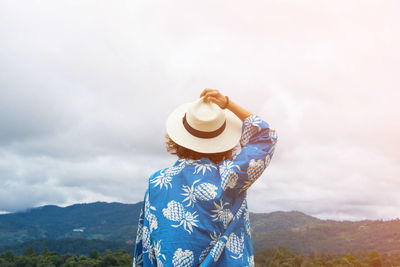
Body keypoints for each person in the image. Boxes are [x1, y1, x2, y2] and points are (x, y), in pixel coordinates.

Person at [132, 88, 278, 267]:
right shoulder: (229, 177)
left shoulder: (157, 182)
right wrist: (227, 103)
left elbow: (146, 246)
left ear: (179, 138)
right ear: (224, 141)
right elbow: (265, 136)